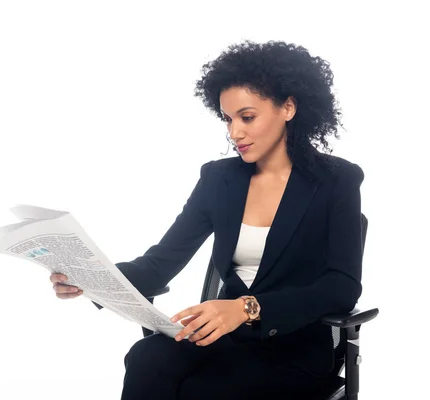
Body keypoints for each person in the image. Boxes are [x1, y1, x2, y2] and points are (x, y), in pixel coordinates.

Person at [50, 40, 365, 399]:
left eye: (247, 117)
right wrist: (92, 280)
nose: (235, 133)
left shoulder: (336, 180)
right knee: (146, 358)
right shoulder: (220, 180)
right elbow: (159, 263)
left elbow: (342, 286)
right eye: (228, 119)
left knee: (205, 390)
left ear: (288, 108)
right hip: (222, 337)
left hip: (294, 349)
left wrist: (247, 309)